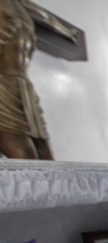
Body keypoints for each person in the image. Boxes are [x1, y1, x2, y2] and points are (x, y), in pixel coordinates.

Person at [0, 0, 53, 159]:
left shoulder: (21, 5)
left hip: (25, 88)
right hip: (3, 84)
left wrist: (69, 32)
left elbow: (48, 18)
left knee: (47, 158)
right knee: (26, 158)